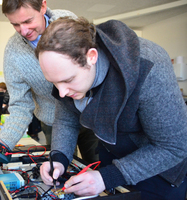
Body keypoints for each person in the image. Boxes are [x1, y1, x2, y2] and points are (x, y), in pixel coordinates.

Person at [35, 17, 187, 200]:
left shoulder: (149, 67)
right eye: (54, 83)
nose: (61, 93)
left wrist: (108, 177)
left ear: (91, 56)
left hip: (159, 169)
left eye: (68, 80)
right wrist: (59, 159)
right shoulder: (67, 73)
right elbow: (66, 119)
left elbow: (174, 146)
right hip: (112, 157)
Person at [0, 0, 99, 164]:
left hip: (91, 116)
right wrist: (4, 141)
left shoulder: (68, 20)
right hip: (54, 123)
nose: (23, 30)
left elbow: (93, 66)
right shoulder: (13, 52)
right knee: (62, 170)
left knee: (98, 166)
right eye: (15, 24)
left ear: (43, 6)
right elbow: (21, 105)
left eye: (28, 21)